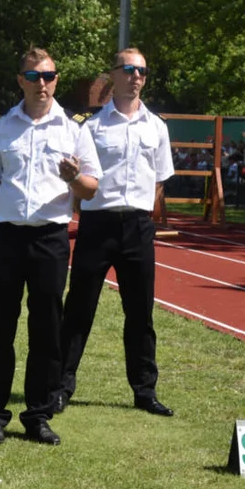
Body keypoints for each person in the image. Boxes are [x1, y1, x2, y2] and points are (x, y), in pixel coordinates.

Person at [0, 47, 101, 446]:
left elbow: (91, 190)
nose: (41, 83)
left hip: (50, 239)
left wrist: (75, 178)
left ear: (56, 79)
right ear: (20, 80)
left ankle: (38, 415)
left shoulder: (75, 129)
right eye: (32, 76)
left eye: (48, 76)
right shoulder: (0, 127)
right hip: (6, 237)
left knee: (46, 331)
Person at [55, 48, 176, 419]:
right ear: (114, 75)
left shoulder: (156, 127)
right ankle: (59, 386)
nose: (136, 76)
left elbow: (158, 181)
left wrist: (142, 215)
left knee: (140, 313)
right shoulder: (89, 125)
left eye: (142, 70)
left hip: (138, 227)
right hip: (98, 225)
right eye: (129, 69)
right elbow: (79, 181)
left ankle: (144, 391)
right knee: (79, 309)